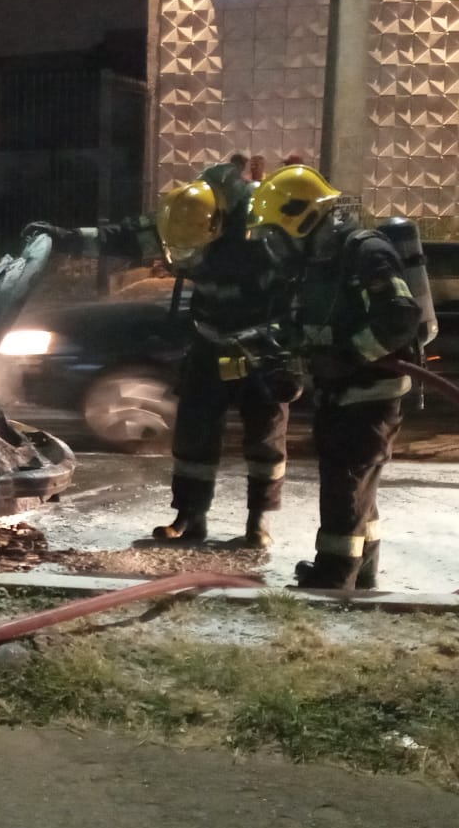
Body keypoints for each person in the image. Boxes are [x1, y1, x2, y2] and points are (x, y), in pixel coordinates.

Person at [26, 161, 296, 547]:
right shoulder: (192, 211)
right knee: (193, 435)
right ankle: (190, 518)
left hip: (262, 348)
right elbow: (125, 237)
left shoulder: (269, 231)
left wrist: (289, 350)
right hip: (209, 340)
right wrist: (63, 238)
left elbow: (304, 287)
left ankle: (258, 525)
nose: (185, 260)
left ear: (217, 226)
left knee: (265, 438)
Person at [248, 164, 423, 590]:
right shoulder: (315, 261)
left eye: (276, 231)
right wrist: (280, 352)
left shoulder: (366, 252)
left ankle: (333, 577)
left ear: (302, 217)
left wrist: (347, 358)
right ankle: (360, 571)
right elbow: (307, 323)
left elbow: (400, 318)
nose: (273, 243)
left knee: (345, 481)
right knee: (357, 484)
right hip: (339, 391)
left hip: (370, 392)